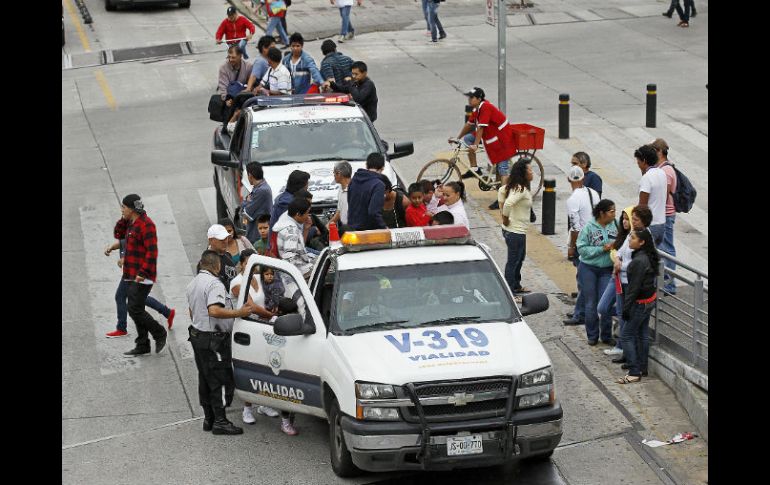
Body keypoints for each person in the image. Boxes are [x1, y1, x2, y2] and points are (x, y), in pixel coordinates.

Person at [186, 250, 257, 435]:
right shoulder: (214, 284)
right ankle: (220, 421)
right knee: (221, 380)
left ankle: (209, 418)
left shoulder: (193, 283)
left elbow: (192, 312)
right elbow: (215, 311)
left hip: (198, 336)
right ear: (216, 266)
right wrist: (239, 313)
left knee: (205, 378)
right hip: (214, 339)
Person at [228, 248, 281, 423]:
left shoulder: (259, 277)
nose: (251, 265)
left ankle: (264, 404)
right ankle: (247, 409)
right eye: (247, 262)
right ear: (241, 264)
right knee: (250, 369)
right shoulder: (237, 283)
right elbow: (250, 306)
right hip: (247, 330)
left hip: (264, 328)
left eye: (254, 262)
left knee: (267, 367)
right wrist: (270, 315)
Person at [105, 216, 175, 338]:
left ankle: (122, 328)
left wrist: (123, 259)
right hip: (130, 272)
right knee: (136, 298)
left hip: (134, 271)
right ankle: (167, 312)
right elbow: (122, 243)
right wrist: (111, 247)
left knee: (124, 297)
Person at [119, 194, 169, 357]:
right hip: (132, 273)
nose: (122, 210)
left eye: (124, 207)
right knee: (136, 308)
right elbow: (133, 245)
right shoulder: (132, 223)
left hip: (143, 275)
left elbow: (152, 252)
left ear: (132, 209)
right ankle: (143, 344)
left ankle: (159, 332)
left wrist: (142, 272)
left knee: (134, 308)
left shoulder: (147, 225)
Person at [603, 206, 653, 362]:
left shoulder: (643, 237)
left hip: (632, 286)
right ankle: (633, 360)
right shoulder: (632, 234)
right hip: (624, 280)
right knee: (633, 326)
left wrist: (620, 266)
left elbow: (638, 264)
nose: (632, 221)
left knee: (632, 329)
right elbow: (620, 251)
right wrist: (617, 260)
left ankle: (633, 364)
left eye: (635, 219)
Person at [453, 87, 517, 209]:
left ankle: (502, 200)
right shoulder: (477, 109)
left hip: (502, 138)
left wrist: (476, 145)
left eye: (471, 98)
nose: (469, 100)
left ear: (479, 98)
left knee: (503, 169)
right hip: (490, 135)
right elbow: (469, 124)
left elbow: (481, 128)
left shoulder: (485, 107)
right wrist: (458, 138)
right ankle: (475, 169)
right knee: (467, 139)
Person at [616, 229, 659, 384]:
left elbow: (633, 289)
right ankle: (643, 367)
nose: (629, 241)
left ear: (642, 242)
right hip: (649, 300)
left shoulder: (638, 262)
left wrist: (626, 309)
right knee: (642, 333)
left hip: (640, 304)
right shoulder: (647, 257)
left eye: (632, 238)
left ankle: (634, 371)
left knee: (626, 335)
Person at [576, 199, 618, 346]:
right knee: (590, 303)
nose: (614, 214)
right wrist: (601, 249)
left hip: (607, 269)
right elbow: (581, 249)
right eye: (611, 211)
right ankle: (592, 335)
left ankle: (606, 335)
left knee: (605, 303)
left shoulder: (616, 225)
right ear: (602, 213)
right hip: (588, 268)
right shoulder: (588, 228)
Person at [563, 165, 600, 326]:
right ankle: (581, 309)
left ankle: (581, 313)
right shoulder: (594, 193)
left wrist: (572, 246)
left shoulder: (573, 199)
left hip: (583, 243)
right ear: (583, 178)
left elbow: (575, 227)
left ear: (569, 179)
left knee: (583, 279)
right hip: (596, 239)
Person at [597, 206, 633, 357]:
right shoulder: (622, 236)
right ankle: (626, 318)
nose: (625, 222)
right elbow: (614, 253)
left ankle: (621, 345)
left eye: (628, 219)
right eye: (623, 219)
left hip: (625, 279)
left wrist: (618, 260)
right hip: (615, 277)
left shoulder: (634, 237)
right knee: (603, 307)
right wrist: (617, 258)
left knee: (621, 312)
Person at [498, 159, 533, 294]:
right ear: (523, 173)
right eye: (530, 170)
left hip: (516, 230)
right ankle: (509, 291)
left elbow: (501, 192)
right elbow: (508, 204)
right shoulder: (520, 189)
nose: (532, 173)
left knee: (520, 258)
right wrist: (505, 218)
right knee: (513, 261)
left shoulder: (514, 187)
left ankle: (516, 285)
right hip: (515, 231)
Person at [651, 138, 678, 295]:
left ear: (659, 151)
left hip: (666, 214)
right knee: (662, 249)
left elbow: (664, 193)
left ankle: (669, 284)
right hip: (663, 213)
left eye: (653, 150)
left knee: (667, 249)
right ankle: (664, 281)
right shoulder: (660, 168)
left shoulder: (666, 170)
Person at [273, 198, 317, 280]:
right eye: (307, 213)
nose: (308, 217)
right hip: (299, 274)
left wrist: (306, 228)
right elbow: (289, 260)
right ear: (298, 214)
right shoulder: (291, 231)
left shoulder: (286, 223)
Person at [635, 144, 667, 247]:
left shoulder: (647, 178)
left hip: (650, 225)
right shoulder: (662, 173)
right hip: (661, 223)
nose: (638, 165)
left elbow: (642, 206)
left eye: (638, 162)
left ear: (644, 161)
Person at [347, 153, 387, 230]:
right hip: (368, 232)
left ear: (366, 165)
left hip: (351, 230)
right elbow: (373, 212)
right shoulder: (378, 185)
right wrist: (384, 227)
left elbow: (350, 203)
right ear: (382, 168)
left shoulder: (353, 180)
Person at [241, 161, 273, 244]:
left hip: (258, 234)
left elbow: (246, 212)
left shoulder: (262, 190)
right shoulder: (259, 187)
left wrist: (245, 202)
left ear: (250, 176)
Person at [218, 45, 253, 118]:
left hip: (243, 100)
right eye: (229, 57)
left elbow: (251, 83)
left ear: (240, 56)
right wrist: (226, 99)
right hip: (230, 101)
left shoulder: (248, 66)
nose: (230, 59)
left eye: (233, 57)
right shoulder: (223, 68)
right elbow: (223, 86)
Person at [207, 224, 239, 292]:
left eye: (226, 238)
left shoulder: (227, 255)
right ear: (210, 240)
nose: (225, 242)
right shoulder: (206, 262)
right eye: (221, 239)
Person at [329, 161, 352, 227]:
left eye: (334, 173)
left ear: (338, 174)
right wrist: (328, 225)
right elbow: (339, 211)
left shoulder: (355, 190)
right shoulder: (341, 188)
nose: (333, 175)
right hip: (344, 228)